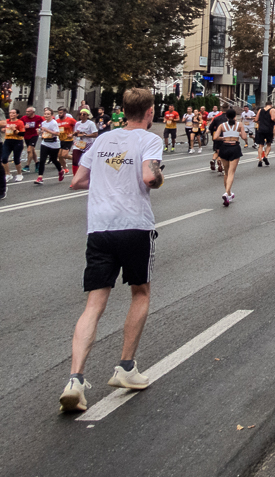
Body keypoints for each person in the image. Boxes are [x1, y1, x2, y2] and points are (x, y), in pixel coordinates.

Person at [59, 87, 164, 414]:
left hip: (99, 228)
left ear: (122, 110)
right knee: (140, 293)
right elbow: (149, 177)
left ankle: (75, 380)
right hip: (134, 226)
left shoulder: (102, 139)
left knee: (94, 303)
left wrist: (108, 180)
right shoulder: (149, 139)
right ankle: (125, 367)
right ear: (149, 112)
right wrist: (159, 176)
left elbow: (77, 181)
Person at [213, 108, 247, 206]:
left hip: (224, 147)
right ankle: (227, 193)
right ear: (235, 116)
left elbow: (215, 137)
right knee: (231, 173)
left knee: (226, 172)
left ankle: (228, 193)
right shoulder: (239, 125)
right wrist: (239, 134)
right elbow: (244, 137)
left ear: (226, 116)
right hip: (234, 147)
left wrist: (223, 137)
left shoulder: (222, 125)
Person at [35, 107, 64, 185]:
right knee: (42, 160)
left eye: (48, 114)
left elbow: (57, 133)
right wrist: (39, 132)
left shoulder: (54, 123)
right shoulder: (43, 123)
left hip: (54, 144)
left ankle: (60, 170)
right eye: (45, 114)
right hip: (45, 143)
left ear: (52, 115)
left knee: (54, 160)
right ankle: (40, 177)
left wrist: (47, 130)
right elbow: (42, 133)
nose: (46, 115)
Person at [2, 108, 25, 191]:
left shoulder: (19, 122)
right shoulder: (6, 121)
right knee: (4, 158)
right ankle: (8, 174)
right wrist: (3, 130)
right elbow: (3, 128)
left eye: (13, 113)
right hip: (8, 141)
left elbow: (22, 133)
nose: (11, 114)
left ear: (17, 114)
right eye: (10, 113)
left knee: (16, 159)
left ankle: (19, 174)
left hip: (17, 142)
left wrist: (14, 130)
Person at [72, 108, 99, 176]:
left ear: (87, 115)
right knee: (75, 161)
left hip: (88, 145)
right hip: (78, 143)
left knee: (85, 162)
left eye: (84, 114)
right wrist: (74, 134)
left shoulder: (91, 124)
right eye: (80, 114)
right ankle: (75, 178)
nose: (82, 115)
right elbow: (77, 133)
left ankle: (88, 176)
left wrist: (85, 135)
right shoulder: (77, 123)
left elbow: (95, 134)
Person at [22, 105, 42, 174]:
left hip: (34, 135)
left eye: (28, 111)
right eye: (26, 111)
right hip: (26, 136)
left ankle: (27, 166)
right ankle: (37, 163)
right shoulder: (24, 118)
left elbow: (43, 124)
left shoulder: (38, 118)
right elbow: (19, 126)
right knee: (32, 150)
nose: (26, 112)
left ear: (33, 112)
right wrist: (24, 126)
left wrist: (39, 129)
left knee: (29, 150)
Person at [57, 107, 77, 176]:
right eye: (59, 113)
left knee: (64, 155)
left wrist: (73, 134)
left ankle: (78, 159)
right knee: (59, 156)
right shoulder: (57, 121)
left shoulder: (70, 120)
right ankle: (65, 169)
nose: (59, 114)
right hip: (60, 140)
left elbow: (78, 126)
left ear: (65, 113)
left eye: (61, 113)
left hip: (68, 140)